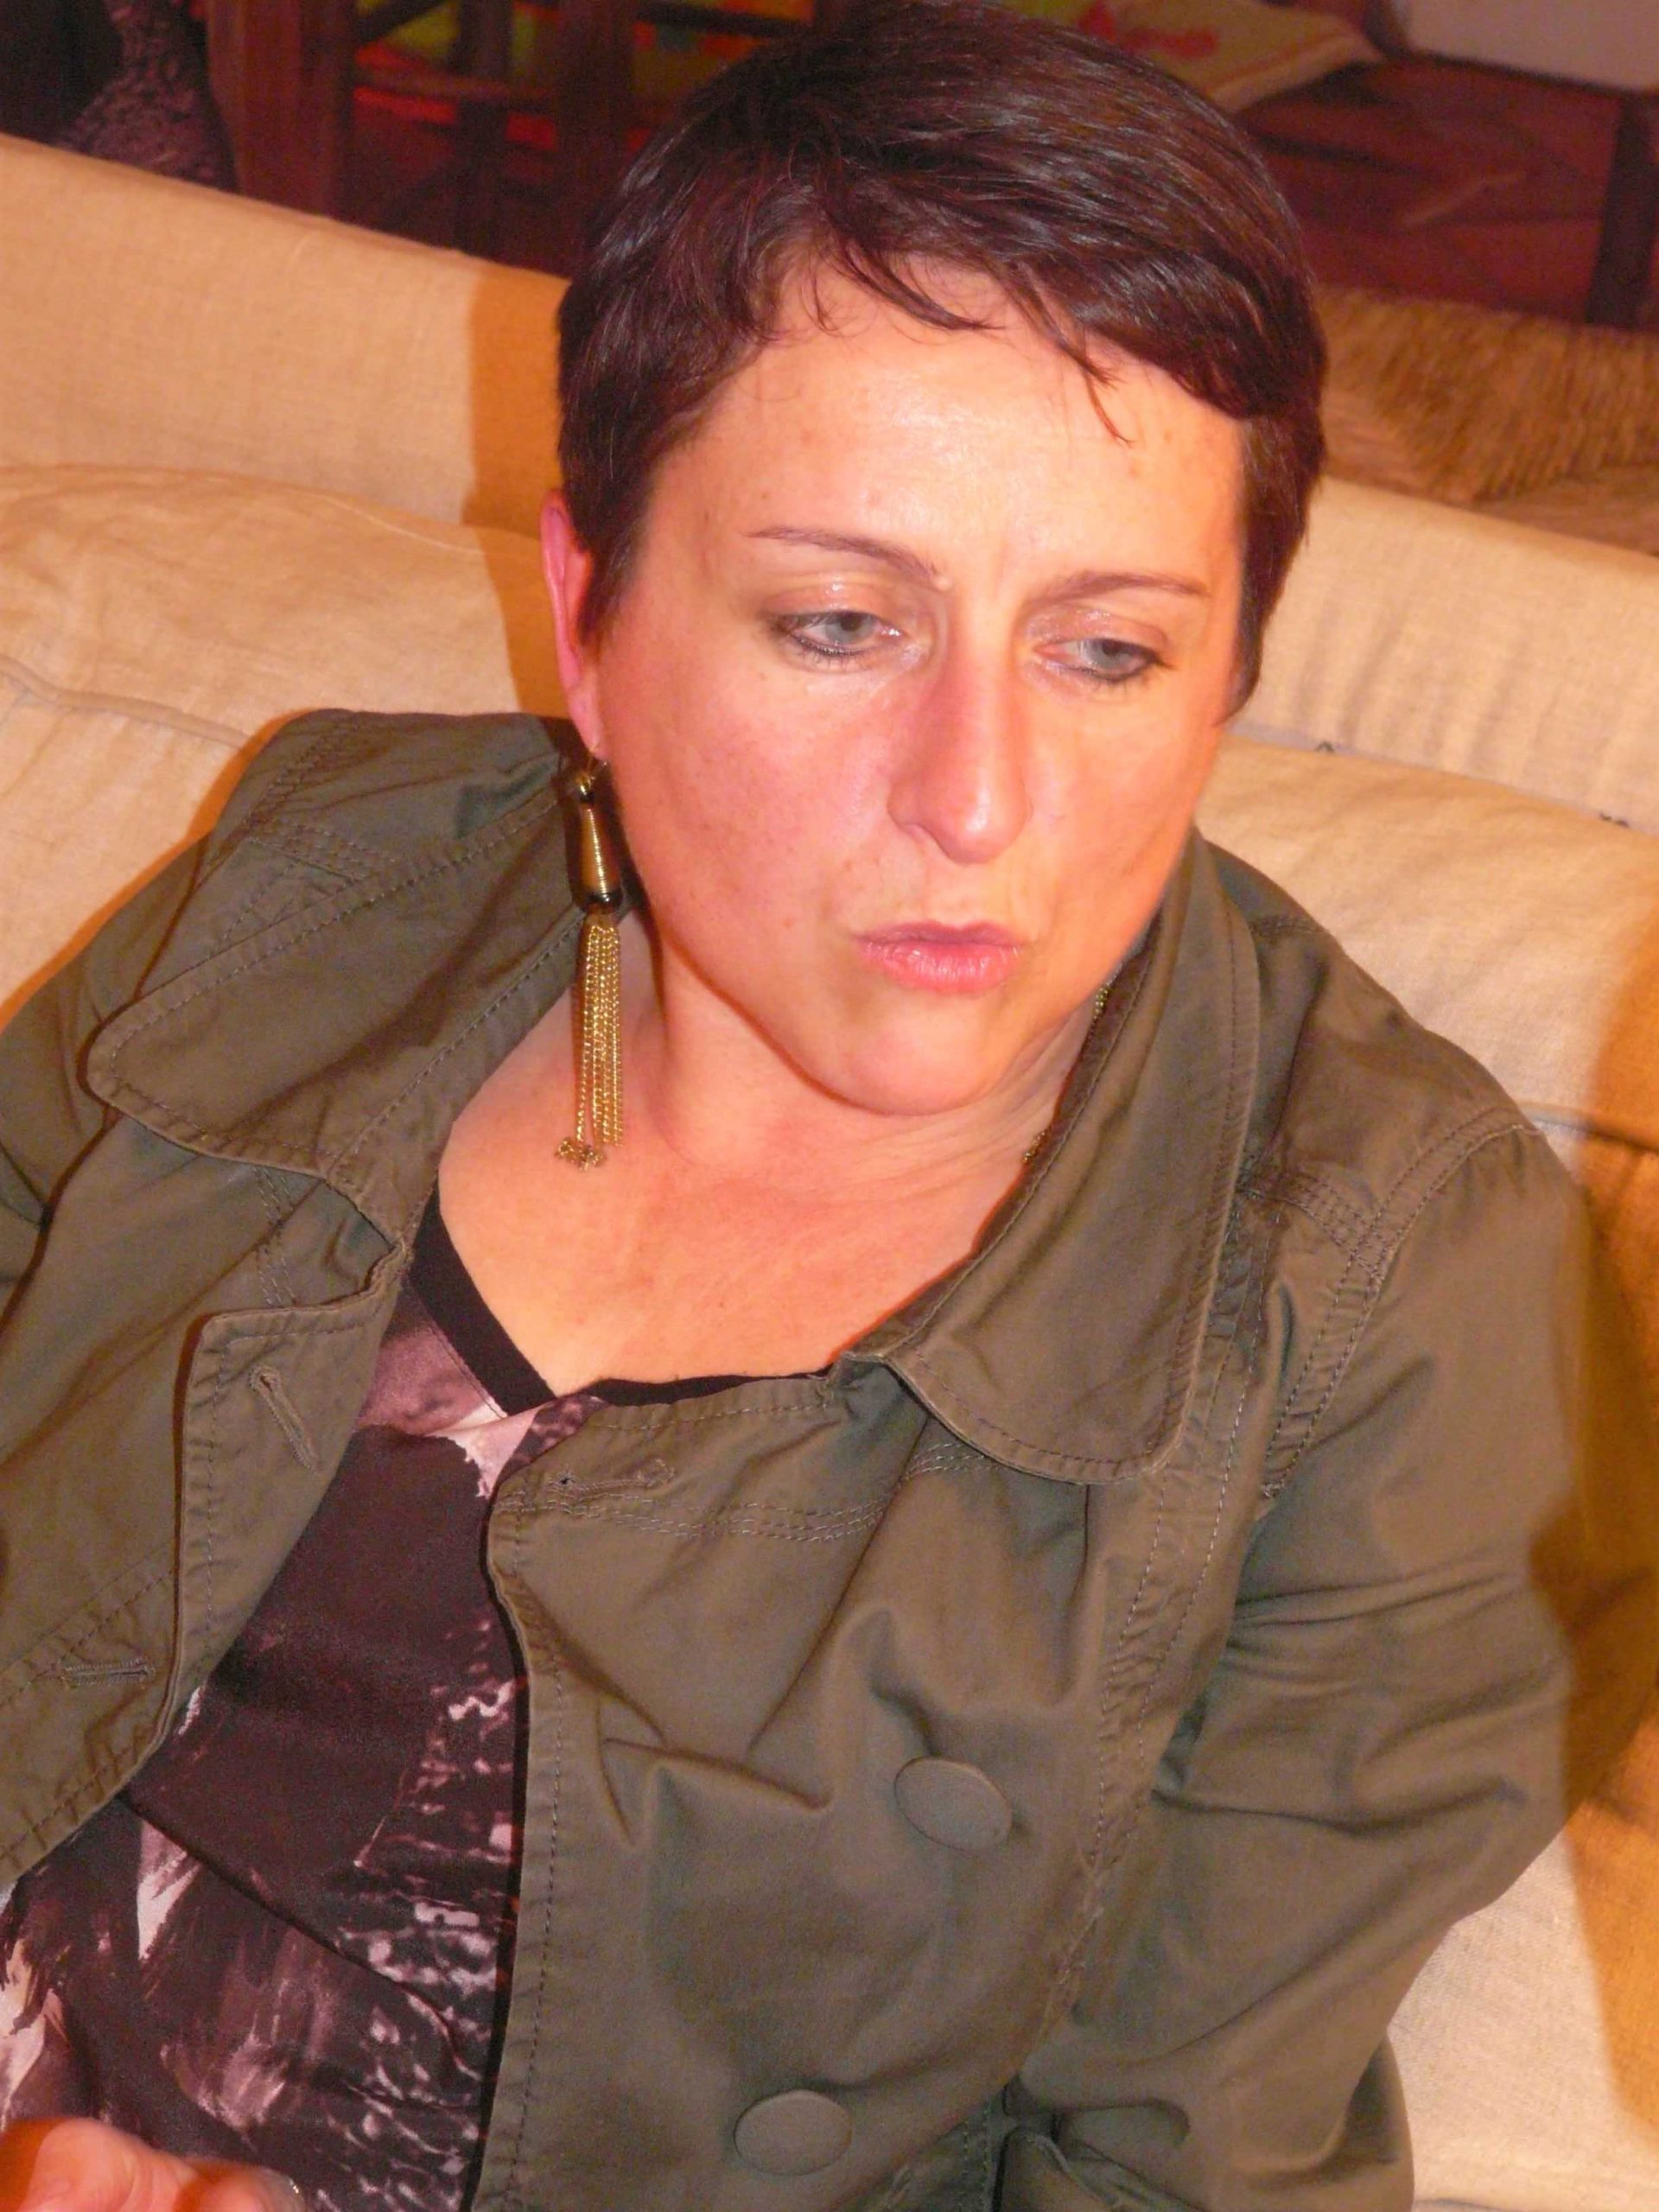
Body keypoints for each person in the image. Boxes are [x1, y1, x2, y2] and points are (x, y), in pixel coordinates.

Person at [0, 3, 1655, 2208]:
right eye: (843, 623)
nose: (977, 800)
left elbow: (1167, 2172)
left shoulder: (1402, 1312)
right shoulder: (330, 870)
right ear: (591, 616)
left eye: (1110, 650)